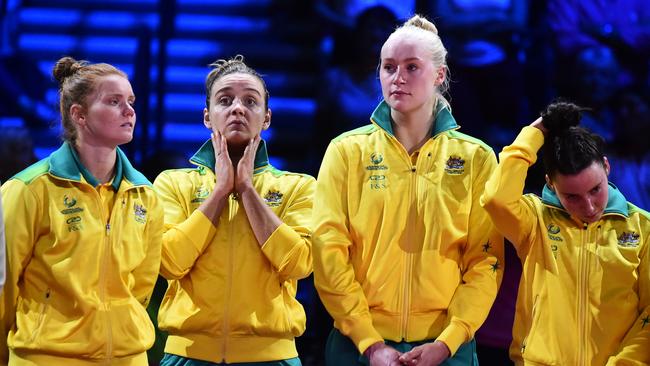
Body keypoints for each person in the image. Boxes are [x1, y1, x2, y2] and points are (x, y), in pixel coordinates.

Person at [313, 14, 504, 366]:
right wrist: (369, 343)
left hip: (449, 350)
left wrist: (448, 343)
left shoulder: (476, 158)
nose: (397, 78)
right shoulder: (346, 151)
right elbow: (328, 253)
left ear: (439, 75)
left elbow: (485, 261)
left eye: (412, 67)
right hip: (356, 347)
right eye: (388, 67)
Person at [0, 56, 163, 364]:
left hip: (127, 357)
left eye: (130, 101)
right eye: (114, 101)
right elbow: (4, 287)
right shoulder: (28, 189)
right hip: (46, 357)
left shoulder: (146, 195)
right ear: (79, 115)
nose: (129, 111)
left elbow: (141, 288)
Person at [154, 55, 315, 365]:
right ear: (207, 116)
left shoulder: (299, 186)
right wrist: (219, 193)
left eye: (250, 101)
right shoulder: (173, 183)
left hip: (272, 356)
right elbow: (170, 262)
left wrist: (247, 191)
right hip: (187, 355)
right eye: (225, 100)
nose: (237, 108)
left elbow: (299, 264)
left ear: (266, 118)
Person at [481, 101, 650, 365]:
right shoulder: (534, 219)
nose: (589, 206)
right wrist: (537, 130)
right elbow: (495, 199)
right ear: (550, 183)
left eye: (595, 189)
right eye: (573, 196)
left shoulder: (644, 228)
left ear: (606, 167)